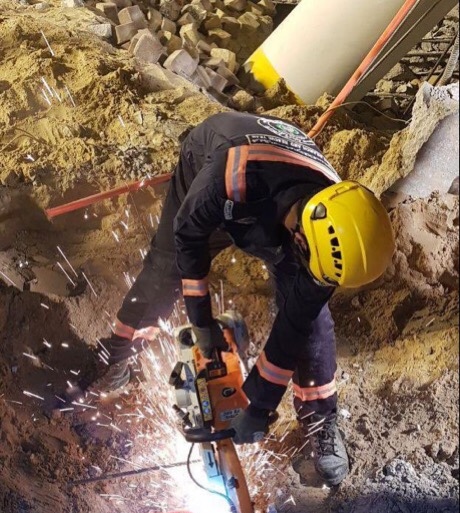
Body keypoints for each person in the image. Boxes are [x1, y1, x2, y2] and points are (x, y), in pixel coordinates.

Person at [81, 112, 395, 487]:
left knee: (312, 319)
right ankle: (117, 357)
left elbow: (294, 323)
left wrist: (260, 406)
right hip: (223, 166)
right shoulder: (227, 179)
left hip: (281, 187)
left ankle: (320, 421)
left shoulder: (336, 232)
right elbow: (188, 238)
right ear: (300, 237)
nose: (316, 280)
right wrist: (201, 321)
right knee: (166, 270)